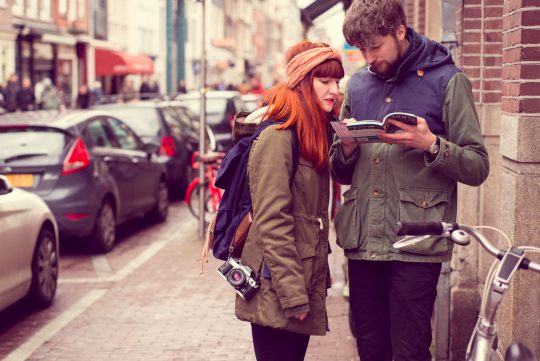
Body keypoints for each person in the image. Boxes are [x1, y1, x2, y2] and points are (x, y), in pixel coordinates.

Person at [330, 1, 490, 361]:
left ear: (400, 31)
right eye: (361, 49)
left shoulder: (448, 81)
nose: (368, 57)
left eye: (375, 46)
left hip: (414, 242)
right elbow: (339, 172)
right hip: (363, 242)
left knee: (410, 351)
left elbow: (478, 166)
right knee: (370, 348)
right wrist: (349, 148)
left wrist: (430, 144)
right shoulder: (357, 86)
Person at [233, 40, 344, 361]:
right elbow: (273, 221)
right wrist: (294, 295)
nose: (334, 90)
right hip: (277, 284)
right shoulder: (279, 137)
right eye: (324, 81)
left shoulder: (310, 133)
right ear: (302, 84)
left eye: (337, 81)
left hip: (294, 278)